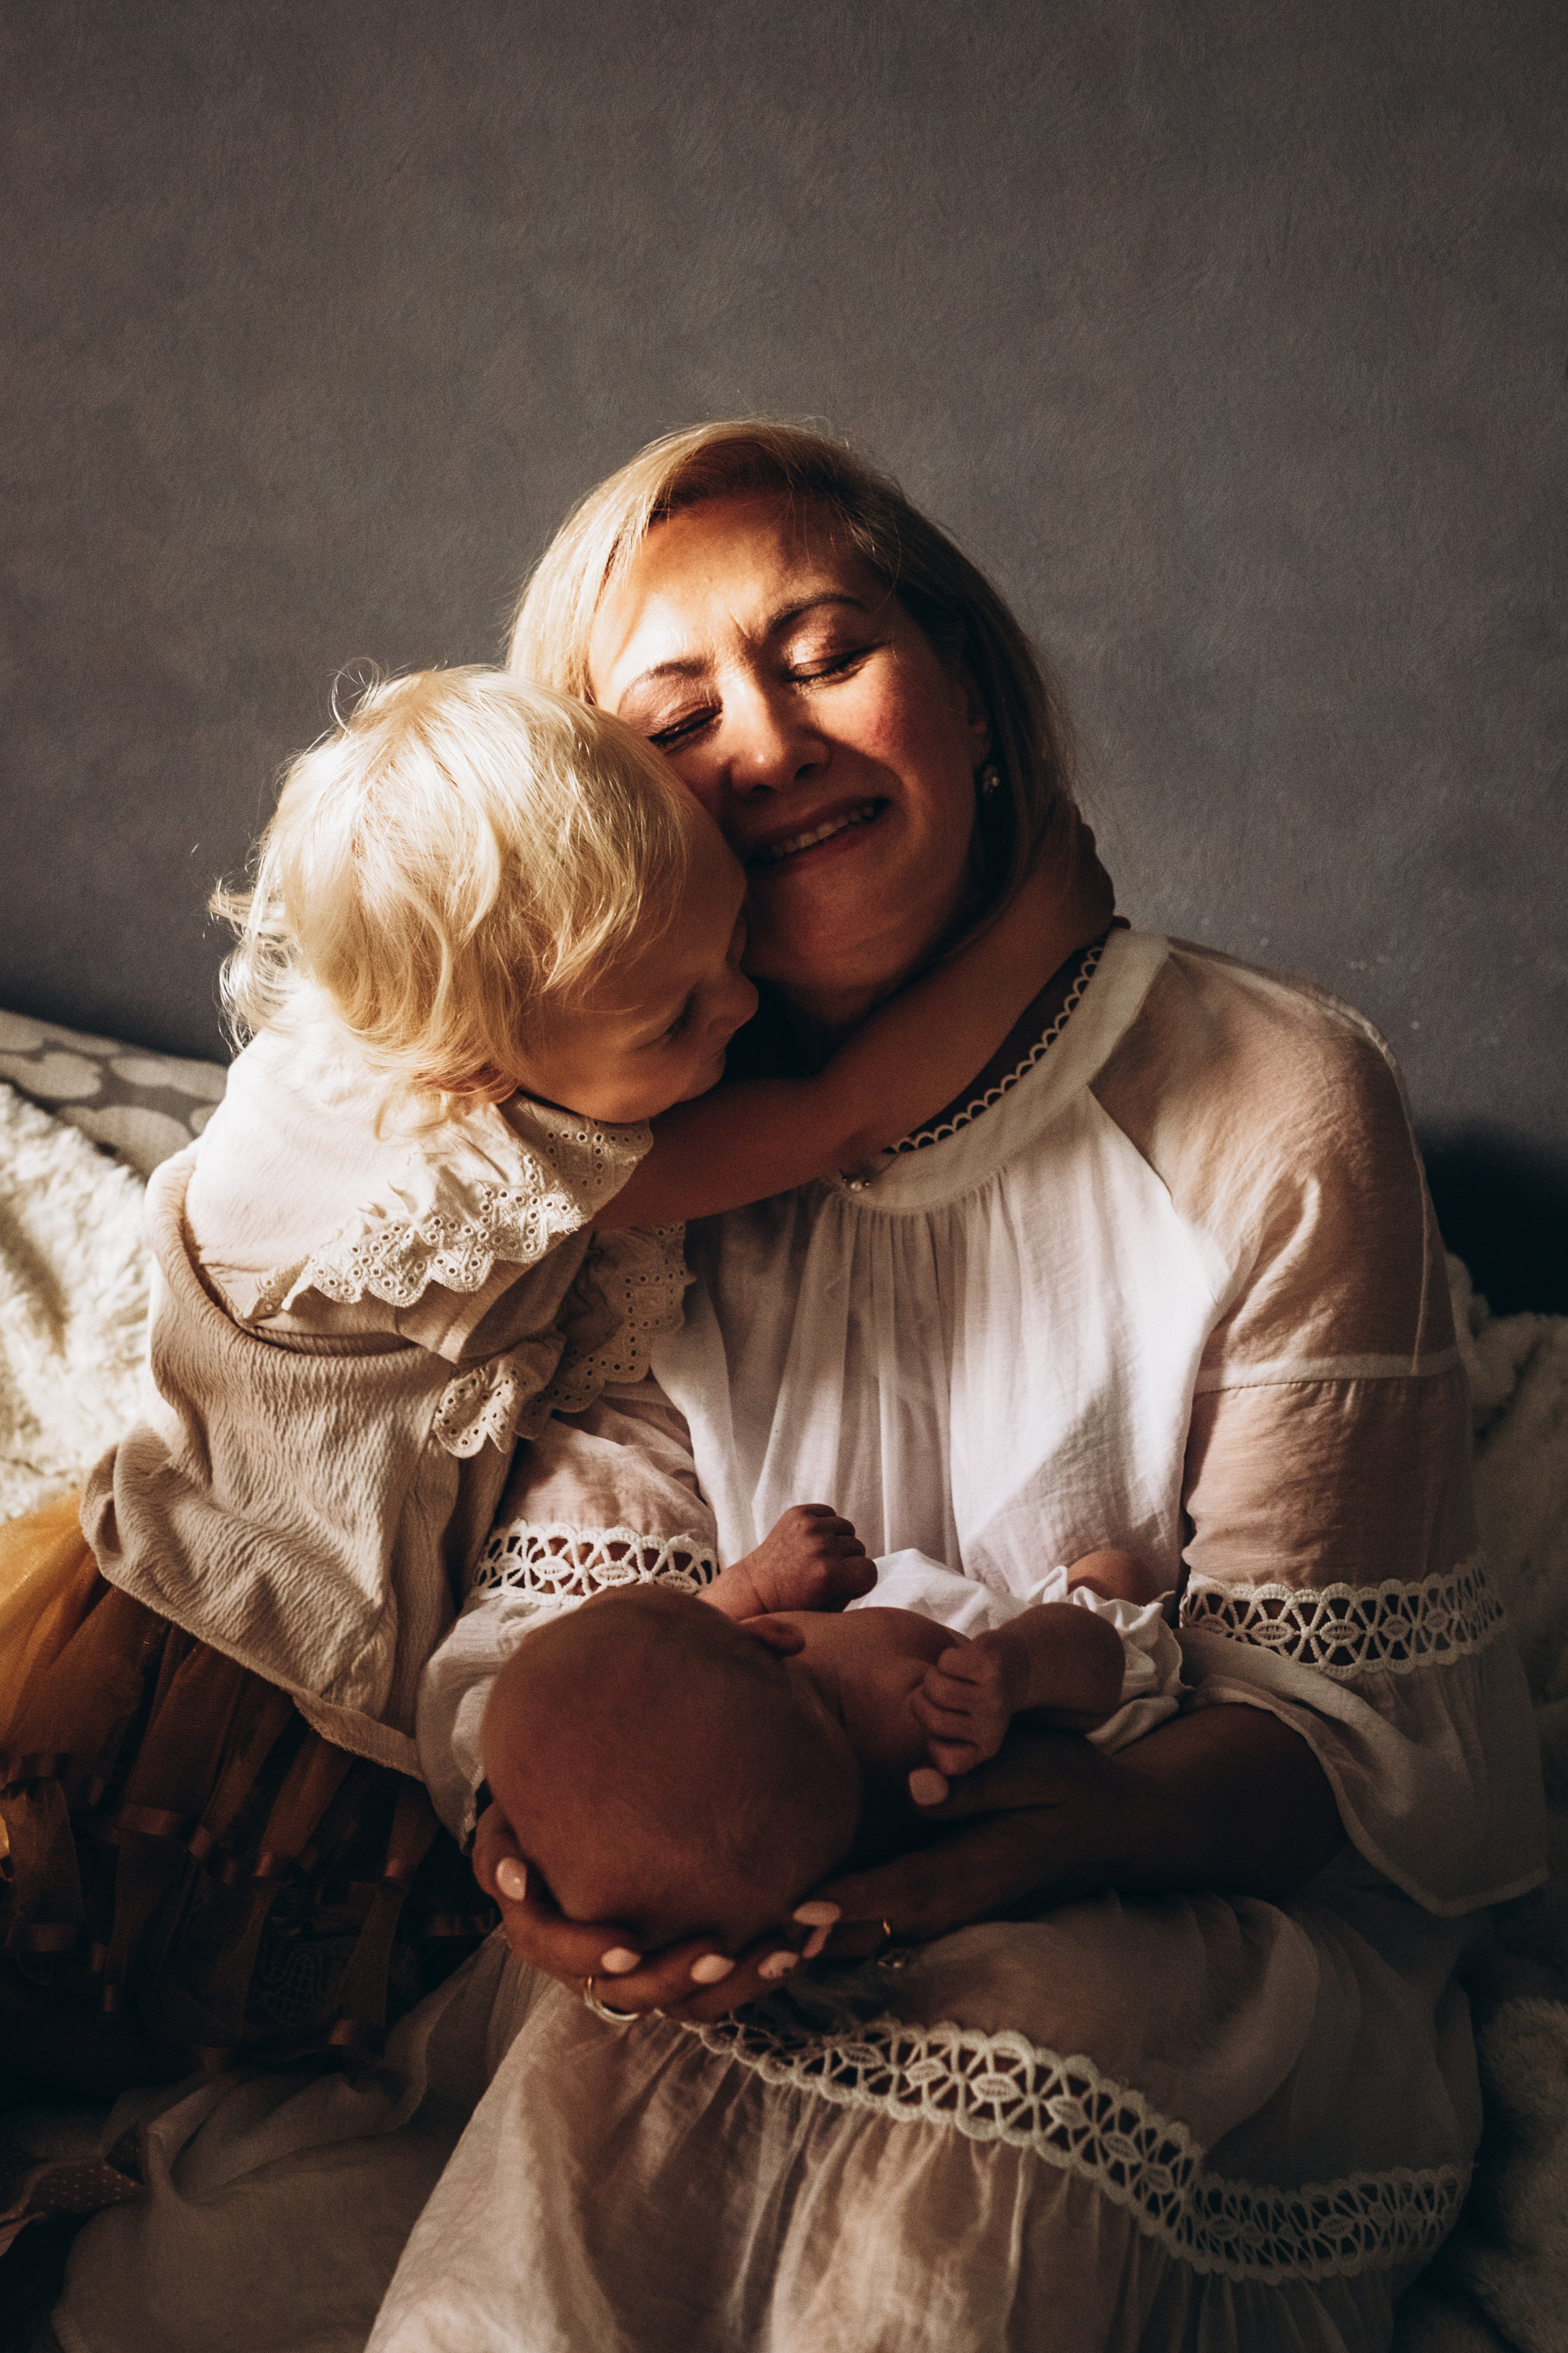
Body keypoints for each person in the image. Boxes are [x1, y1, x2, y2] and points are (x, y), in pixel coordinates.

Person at [358, 418, 1546, 2353]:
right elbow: (564, 1610)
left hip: (1155, 1892)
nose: (767, 742)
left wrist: (1037, 1831)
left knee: (1008, 2084)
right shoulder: (644, 1168)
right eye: (675, 723)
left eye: (824, 652)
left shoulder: (1279, 1098)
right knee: (597, 2099)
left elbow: (1340, 1736)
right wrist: (536, 1838)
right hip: (751, 1878)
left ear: (974, 701)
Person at [0, 660, 1099, 2087]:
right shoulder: (465, 1168)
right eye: (675, 1020)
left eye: (730, 957)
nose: (736, 1005)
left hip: (144, 1562)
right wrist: (1039, 931)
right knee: (137, 1955)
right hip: (248, 1651)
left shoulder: (378, 1033)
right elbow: (838, 1114)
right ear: (475, 1062)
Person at [478, 1548, 1181, 1975]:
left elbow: (687, 1633)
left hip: (966, 1646)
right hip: (1057, 1680)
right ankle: (1091, 1594)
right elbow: (1100, 1671)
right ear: (772, 1637)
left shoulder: (736, 1752)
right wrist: (1020, 1666)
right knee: (1113, 1574)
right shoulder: (914, 1724)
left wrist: (755, 1575)